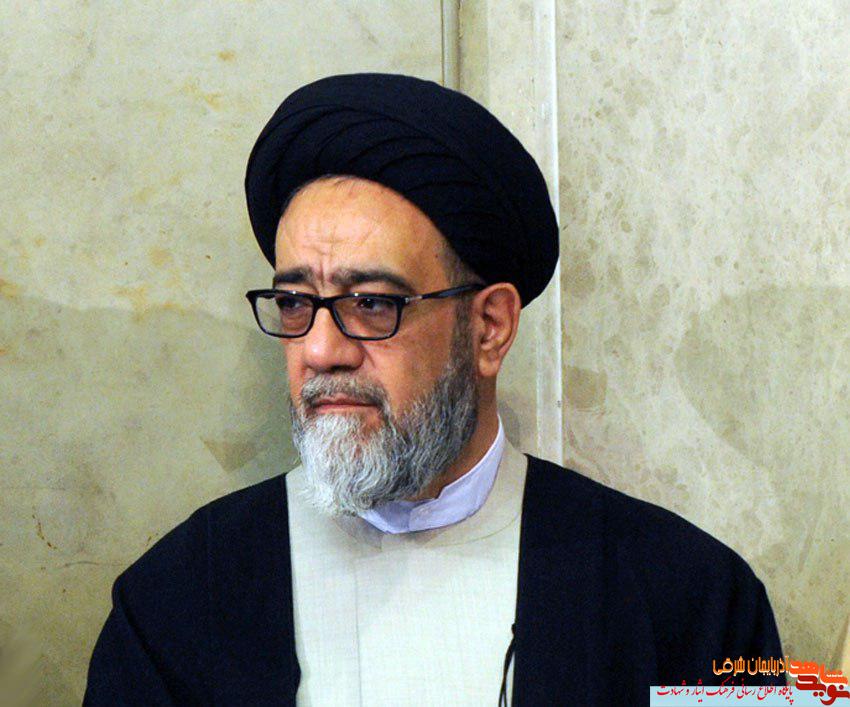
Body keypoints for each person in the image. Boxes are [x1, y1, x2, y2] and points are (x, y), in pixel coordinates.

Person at [84, 73, 784, 706]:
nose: (320, 351)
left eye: (371, 303)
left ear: (489, 328)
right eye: (295, 303)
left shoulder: (691, 597)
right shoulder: (176, 599)